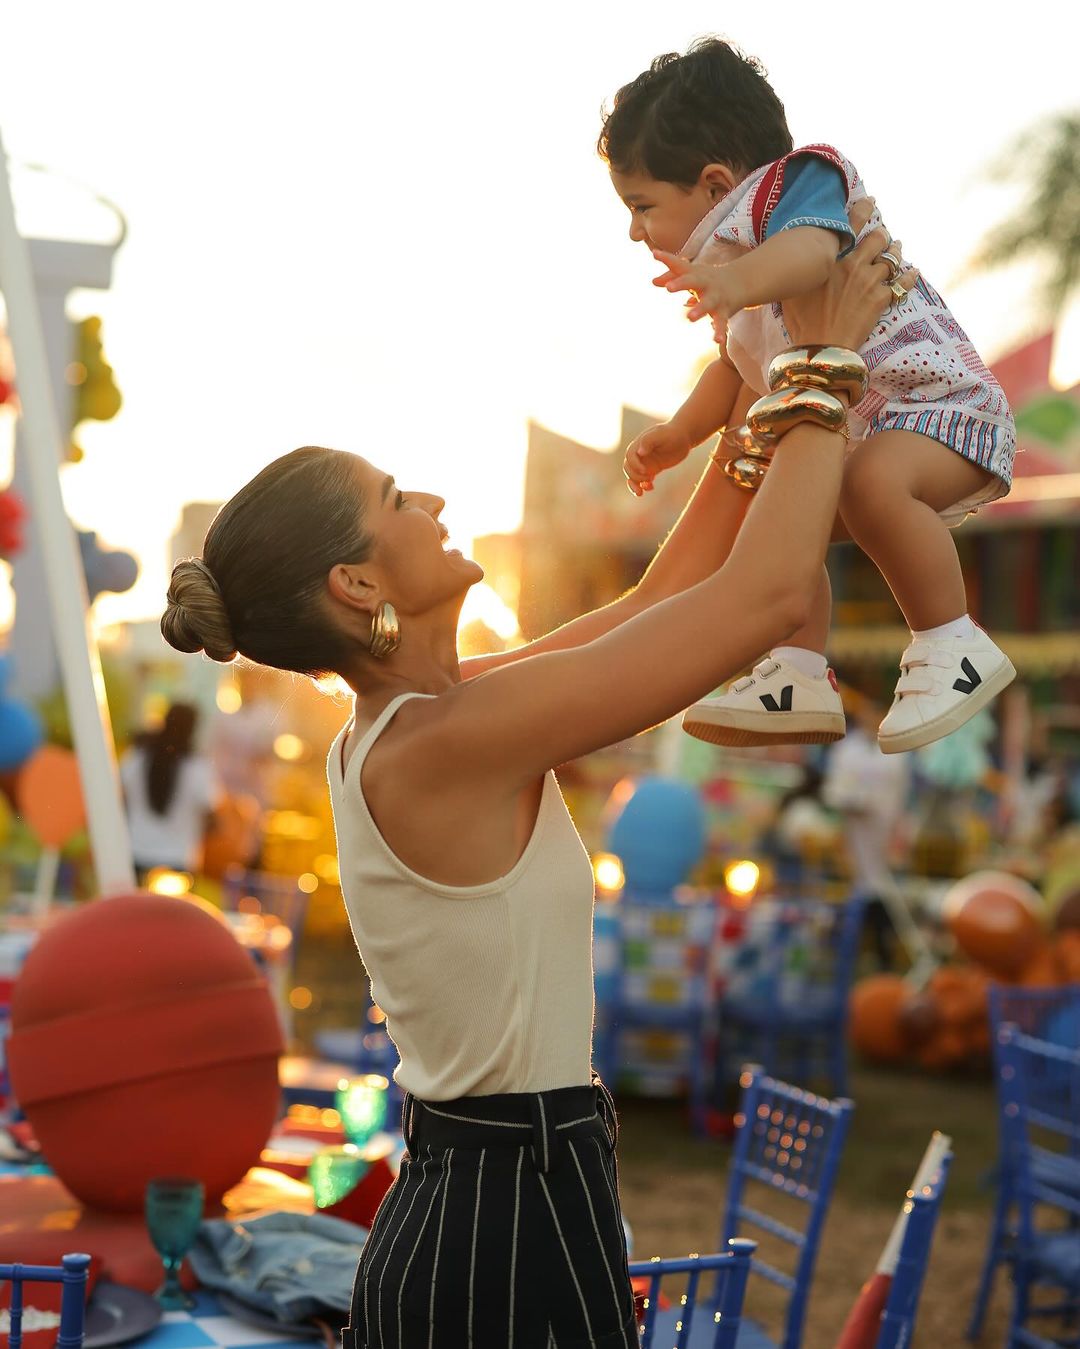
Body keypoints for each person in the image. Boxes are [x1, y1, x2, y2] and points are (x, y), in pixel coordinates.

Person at [159, 214, 908, 1348]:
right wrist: (822, 366)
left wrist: (755, 403)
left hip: (502, 1199)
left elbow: (652, 610)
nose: (437, 506)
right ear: (360, 579)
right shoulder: (442, 741)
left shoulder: (422, 723)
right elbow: (754, 605)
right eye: (400, 499)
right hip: (502, 1228)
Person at [600, 37, 1016, 757]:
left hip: (943, 406)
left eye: (641, 206)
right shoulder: (739, 279)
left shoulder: (794, 185)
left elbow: (814, 252)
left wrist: (736, 281)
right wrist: (680, 432)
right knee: (780, 519)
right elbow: (733, 371)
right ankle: (796, 670)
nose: (634, 229)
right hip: (882, 424)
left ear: (712, 181)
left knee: (870, 481)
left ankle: (953, 643)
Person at [821, 695, 912, 969]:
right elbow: (836, 789)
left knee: (882, 883)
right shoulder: (847, 750)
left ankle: (881, 950)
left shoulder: (897, 750)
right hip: (855, 829)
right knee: (861, 882)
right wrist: (856, 802)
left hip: (884, 829)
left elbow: (901, 793)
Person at [119, 702, 220, 880]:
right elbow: (211, 814)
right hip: (178, 863)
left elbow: (121, 795)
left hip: (134, 855)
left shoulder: (137, 756)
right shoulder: (197, 767)